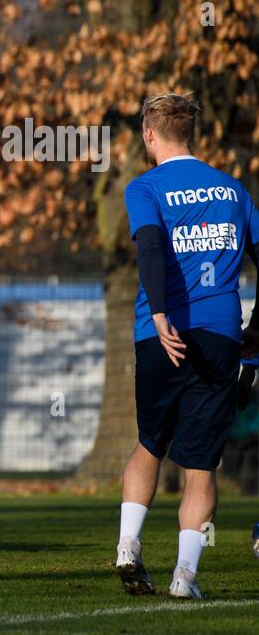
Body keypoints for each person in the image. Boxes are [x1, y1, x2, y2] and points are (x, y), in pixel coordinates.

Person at [116, 92, 259, 599]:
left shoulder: (145, 187)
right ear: (191, 134)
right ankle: (185, 576)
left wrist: (158, 315)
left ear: (150, 136)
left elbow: (151, 247)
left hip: (160, 333)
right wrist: (254, 339)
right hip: (220, 334)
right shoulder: (234, 192)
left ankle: (129, 545)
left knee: (151, 442)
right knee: (200, 462)